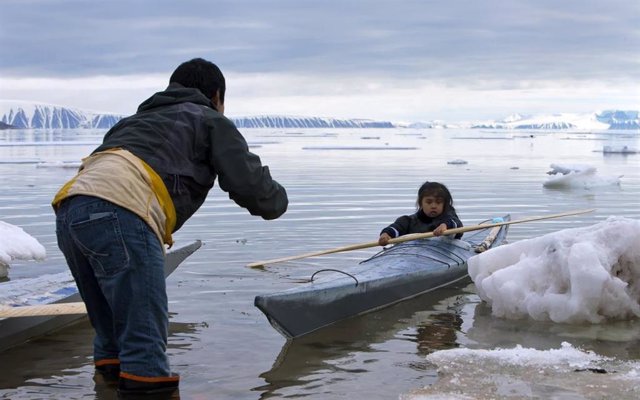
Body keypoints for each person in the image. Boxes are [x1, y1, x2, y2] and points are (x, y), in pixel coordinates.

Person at [52, 58, 288, 397]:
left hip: (70, 210)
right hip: (122, 211)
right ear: (217, 96)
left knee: (112, 339)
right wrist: (280, 199)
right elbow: (253, 189)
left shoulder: (131, 123)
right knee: (144, 346)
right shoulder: (208, 118)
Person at [378, 181, 462, 246]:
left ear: (445, 204)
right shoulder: (409, 220)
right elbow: (397, 227)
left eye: (438, 202)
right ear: (421, 203)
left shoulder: (448, 217)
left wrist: (445, 226)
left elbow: (457, 224)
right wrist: (386, 234)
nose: (433, 206)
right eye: (429, 202)